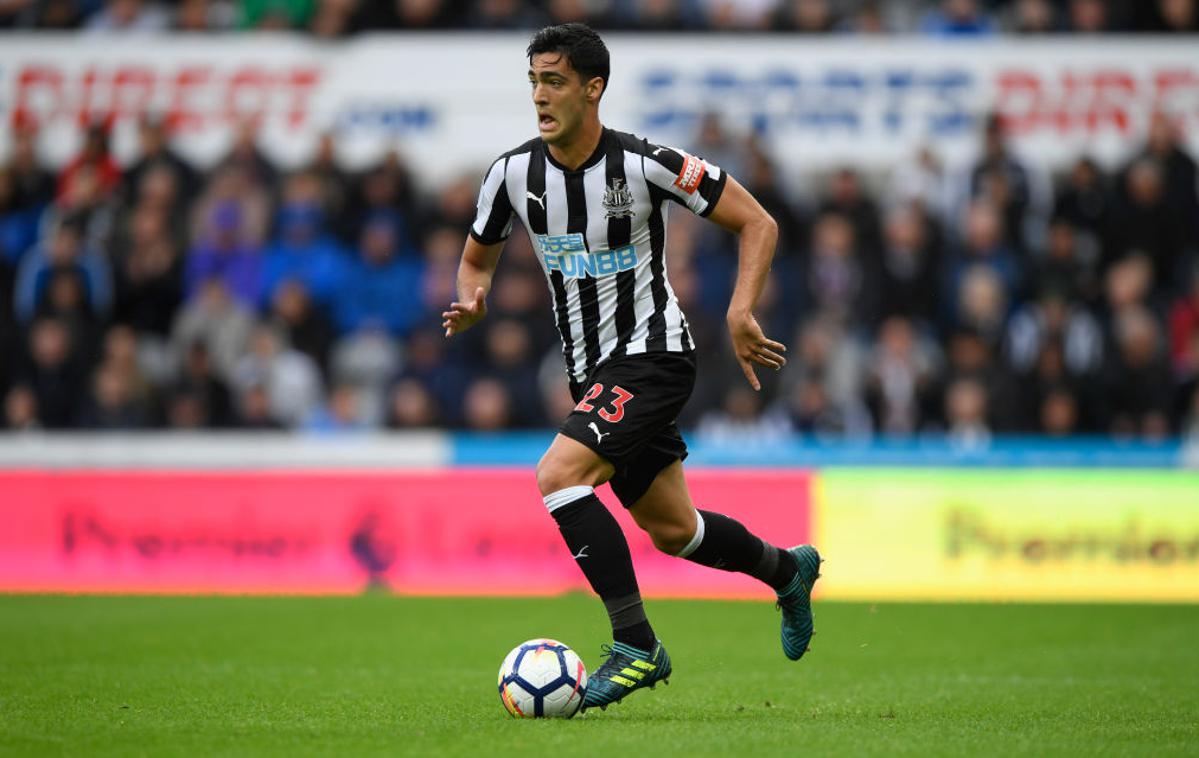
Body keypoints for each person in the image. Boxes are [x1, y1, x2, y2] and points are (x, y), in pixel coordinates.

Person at [442, 23, 821, 712]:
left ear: (593, 88)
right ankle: (786, 569)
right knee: (675, 531)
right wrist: (472, 294)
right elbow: (476, 254)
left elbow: (756, 221)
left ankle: (636, 645)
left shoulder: (647, 164)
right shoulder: (511, 175)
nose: (539, 95)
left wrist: (740, 311)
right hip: (590, 373)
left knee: (557, 476)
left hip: (653, 354)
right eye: (533, 80)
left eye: (553, 81)